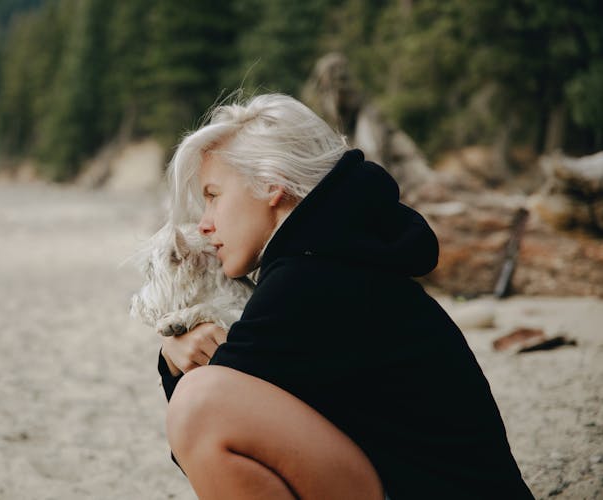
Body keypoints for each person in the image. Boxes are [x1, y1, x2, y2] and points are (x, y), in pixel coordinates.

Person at [156, 93, 534, 499]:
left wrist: (176, 363)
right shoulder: (338, 258)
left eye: (213, 196)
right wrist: (175, 355)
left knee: (200, 406)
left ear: (270, 184)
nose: (205, 224)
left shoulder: (309, 279)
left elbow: (200, 435)